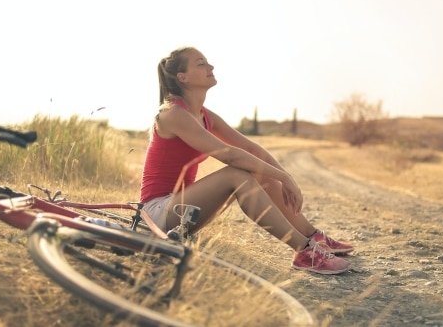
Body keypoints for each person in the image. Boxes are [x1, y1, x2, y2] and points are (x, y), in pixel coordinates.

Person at [139, 46, 353, 275]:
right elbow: (229, 154)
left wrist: (284, 177)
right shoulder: (172, 114)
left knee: (260, 171)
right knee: (237, 173)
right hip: (156, 214)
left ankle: (313, 237)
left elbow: (250, 148)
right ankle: (304, 250)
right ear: (183, 77)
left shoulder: (204, 115)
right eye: (201, 63)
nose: (210, 67)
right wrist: (283, 176)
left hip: (183, 212)